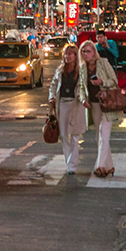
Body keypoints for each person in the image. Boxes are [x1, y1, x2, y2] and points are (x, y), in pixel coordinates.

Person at [78, 39, 119, 178]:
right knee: (99, 136)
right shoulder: (83, 68)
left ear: (94, 52)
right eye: (83, 51)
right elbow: (82, 87)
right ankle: (110, 166)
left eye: (88, 51)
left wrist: (102, 82)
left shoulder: (103, 63)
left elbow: (114, 81)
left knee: (104, 134)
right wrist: (83, 99)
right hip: (94, 104)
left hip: (106, 103)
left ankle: (100, 166)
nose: (85, 54)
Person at [48, 44, 85, 174]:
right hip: (62, 103)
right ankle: (69, 162)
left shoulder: (80, 71)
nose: (67, 57)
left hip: (75, 104)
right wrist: (51, 97)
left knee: (75, 135)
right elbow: (53, 86)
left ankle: (72, 165)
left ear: (75, 56)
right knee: (63, 135)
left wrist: (83, 99)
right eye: (65, 54)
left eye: (70, 54)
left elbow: (82, 88)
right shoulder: (60, 70)